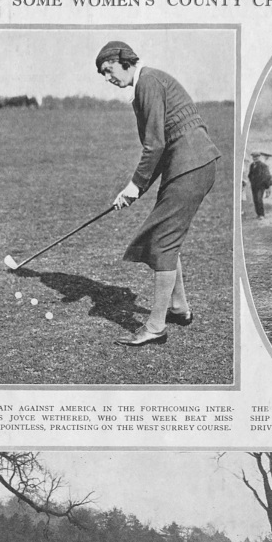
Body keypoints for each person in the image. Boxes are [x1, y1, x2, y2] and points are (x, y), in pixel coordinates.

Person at [96, 41, 220, 347]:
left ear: (124, 61)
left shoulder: (148, 81)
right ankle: (179, 308)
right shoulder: (145, 84)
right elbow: (159, 148)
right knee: (163, 238)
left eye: (109, 70)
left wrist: (134, 185)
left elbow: (155, 145)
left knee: (163, 240)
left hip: (191, 165)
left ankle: (155, 326)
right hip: (187, 165)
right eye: (103, 75)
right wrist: (135, 190)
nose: (108, 78)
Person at [248, 151, 272, 218]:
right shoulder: (252, 165)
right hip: (254, 185)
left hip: (261, 186)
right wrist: (252, 181)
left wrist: (266, 186)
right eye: (253, 157)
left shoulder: (263, 165)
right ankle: (258, 214)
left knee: (259, 199)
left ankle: (261, 214)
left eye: (256, 157)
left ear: (259, 157)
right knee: (255, 199)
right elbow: (250, 175)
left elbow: (267, 176)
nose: (255, 158)